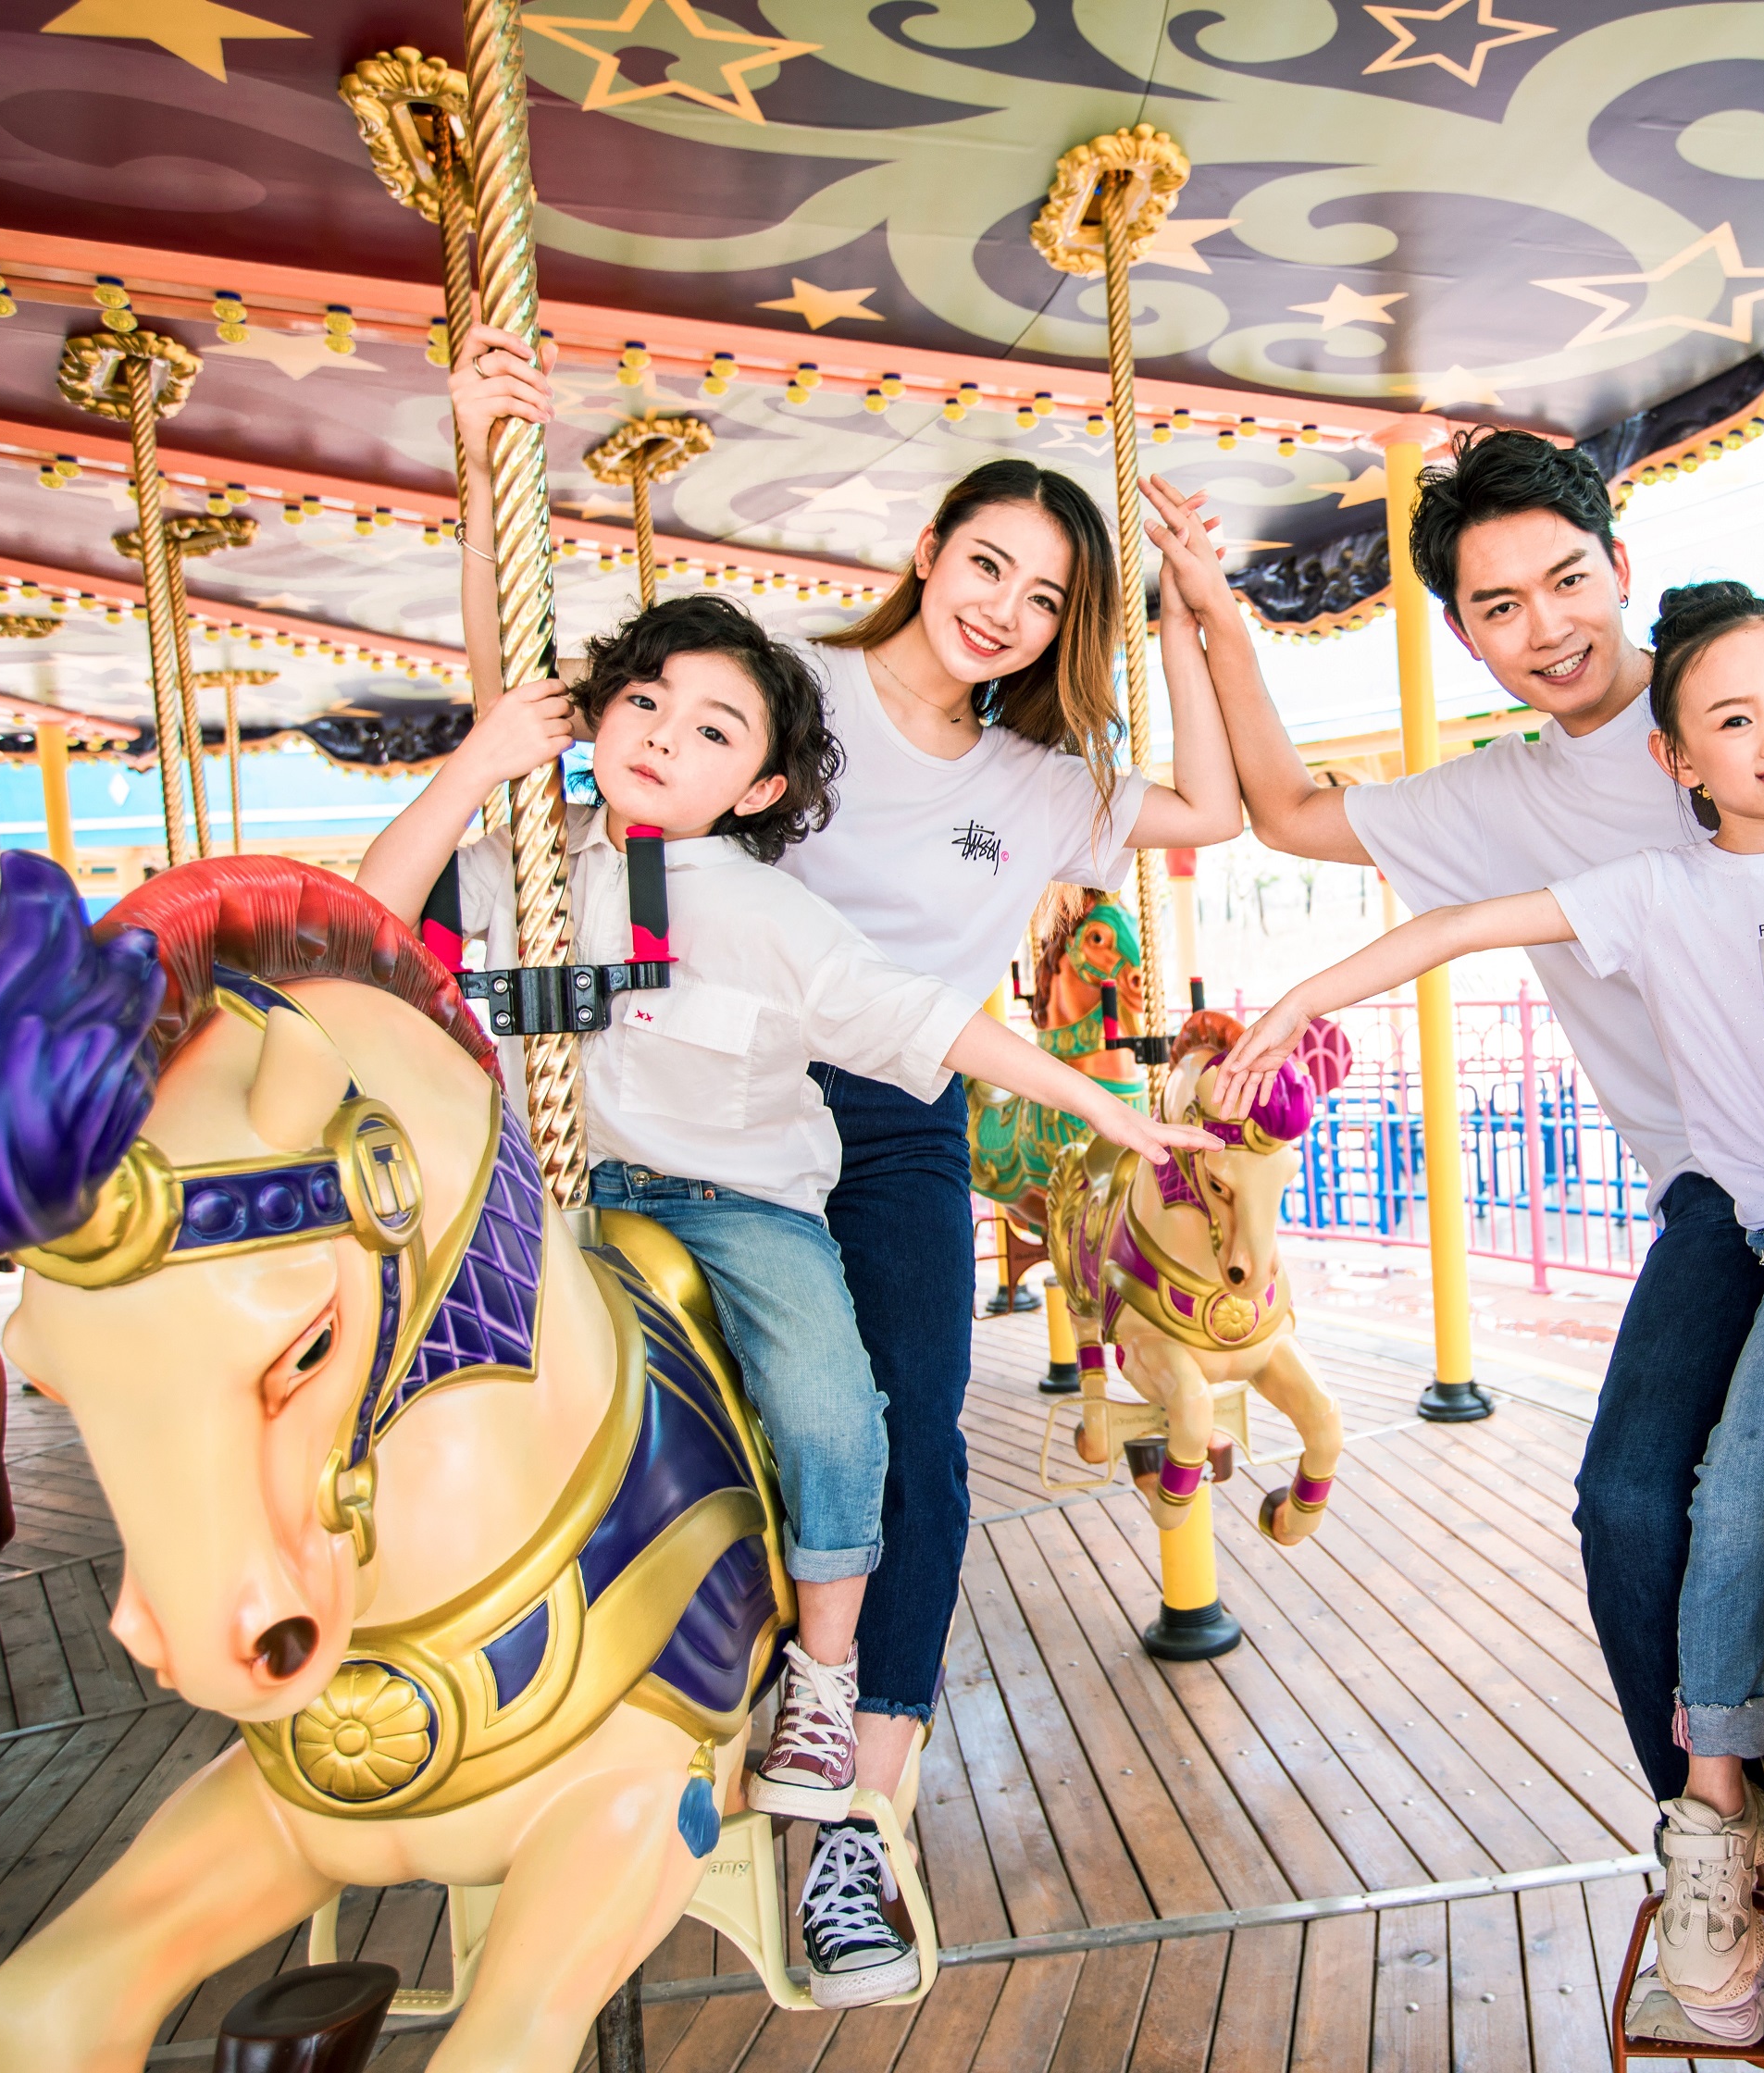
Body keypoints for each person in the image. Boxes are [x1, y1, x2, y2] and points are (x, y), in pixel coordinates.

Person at [357, 591, 1212, 2005]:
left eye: (713, 731)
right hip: (549, 1205)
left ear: (758, 787)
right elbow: (368, 922)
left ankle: (823, 1680)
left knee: (835, 1403)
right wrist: (477, 764)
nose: (663, 737)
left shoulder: (757, 908)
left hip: (730, 1204)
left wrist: (1096, 1104)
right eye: (644, 704)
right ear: (593, 717)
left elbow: (920, 1015)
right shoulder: (521, 862)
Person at [445, 325, 1242, 1821]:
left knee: (909, 1424)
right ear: (929, 552)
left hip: (895, 1114)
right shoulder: (789, 684)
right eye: (987, 565)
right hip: (709, 1088)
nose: (1004, 609)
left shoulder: (1041, 781)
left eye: (1047, 599)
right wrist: (485, 472)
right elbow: (537, 716)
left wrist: (1191, 613)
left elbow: (1211, 809)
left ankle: (868, 1775)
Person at [1160, 431, 1764, 1814]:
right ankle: (1706, 1826)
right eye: (1500, 607)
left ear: (1621, 566)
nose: (1548, 628)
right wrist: (1218, 616)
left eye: (1569, 580)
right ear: (1465, 637)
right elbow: (1285, 815)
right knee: (1627, 1499)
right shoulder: (1507, 797)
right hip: (1729, 1193)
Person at [1213, 581, 1764, 2039]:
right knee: (1728, 1492)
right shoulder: (1655, 892)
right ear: (1677, 760)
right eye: (1734, 719)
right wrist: (1302, 1001)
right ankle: (1713, 1813)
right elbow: (1458, 928)